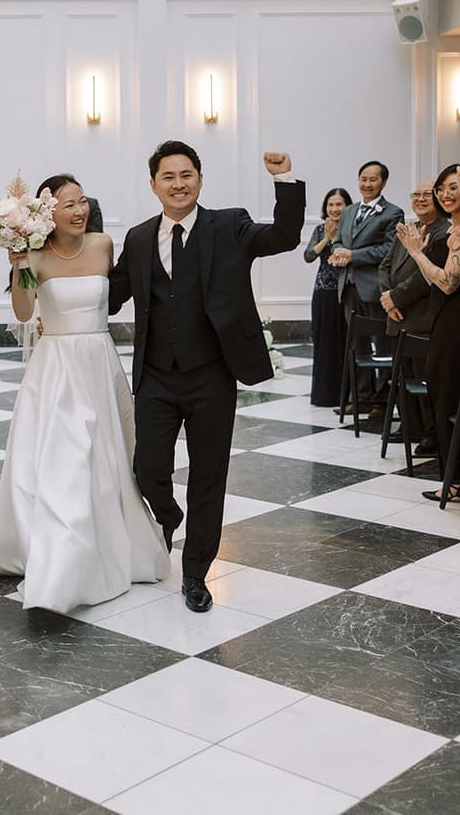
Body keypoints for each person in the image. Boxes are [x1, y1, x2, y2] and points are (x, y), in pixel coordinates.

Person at [109, 142, 304, 613]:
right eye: (168, 176)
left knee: (208, 475)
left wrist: (284, 181)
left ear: (200, 179)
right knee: (148, 468)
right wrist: (50, 285)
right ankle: (168, 513)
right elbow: (111, 293)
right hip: (156, 375)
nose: (178, 184)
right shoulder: (138, 238)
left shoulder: (229, 225)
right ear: (153, 184)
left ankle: (195, 573)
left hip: (212, 375)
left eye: (187, 174)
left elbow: (283, 236)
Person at [0, 175, 168, 611]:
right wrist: (19, 264)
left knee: (107, 457)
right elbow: (25, 312)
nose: (79, 210)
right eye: (68, 204)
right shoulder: (36, 257)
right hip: (57, 370)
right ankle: (61, 561)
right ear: (47, 213)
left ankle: (107, 542)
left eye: (83, 201)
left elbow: (118, 294)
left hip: (100, 361)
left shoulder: (103, 245)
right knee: (67, 459)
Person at [396, 164, 460, 500]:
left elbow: (447, 282)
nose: (445, 194)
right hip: (447, 319)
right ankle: (456, 476)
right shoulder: (455, 229)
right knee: (443, 394)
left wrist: (416, 253)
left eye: (454, 187)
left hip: (459, 323)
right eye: (441, 188)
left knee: (450, 398)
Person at [379, 183, 450, 450]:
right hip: (397, 316)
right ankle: (410, 425)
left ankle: (431, 434)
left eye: (426, 195)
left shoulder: (444, 231)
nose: (420, 199)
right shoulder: (406, 229)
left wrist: (395, 297)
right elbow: (384, 266)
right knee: (401, 377)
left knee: (424, 379)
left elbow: (426, 276)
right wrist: (387, 299)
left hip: (422, 316)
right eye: (415, 195)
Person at [327, 160, 403, 410]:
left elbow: (388, 250)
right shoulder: (349, 211)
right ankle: (361, 397)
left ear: (383, 182)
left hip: (374, 288)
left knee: (381, 344)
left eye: (372, 179)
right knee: (356, 344)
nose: (367, 184)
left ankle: (382, 400)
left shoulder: (392, 212)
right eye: (363, 179)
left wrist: (353, 256)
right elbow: (339, 240)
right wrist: (338, 252)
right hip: (348, 286)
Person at [303, 187, 351, 407]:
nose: (334, 208)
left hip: (345, 292)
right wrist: (327, 238)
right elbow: (309, 256)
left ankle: (346, 394)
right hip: (323, 292)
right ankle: (324, 395)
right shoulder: (320, 229)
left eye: (339, 204)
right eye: (330, 204)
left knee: (344, 342)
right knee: (323, 343)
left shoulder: (352, 228)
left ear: (347, 206)